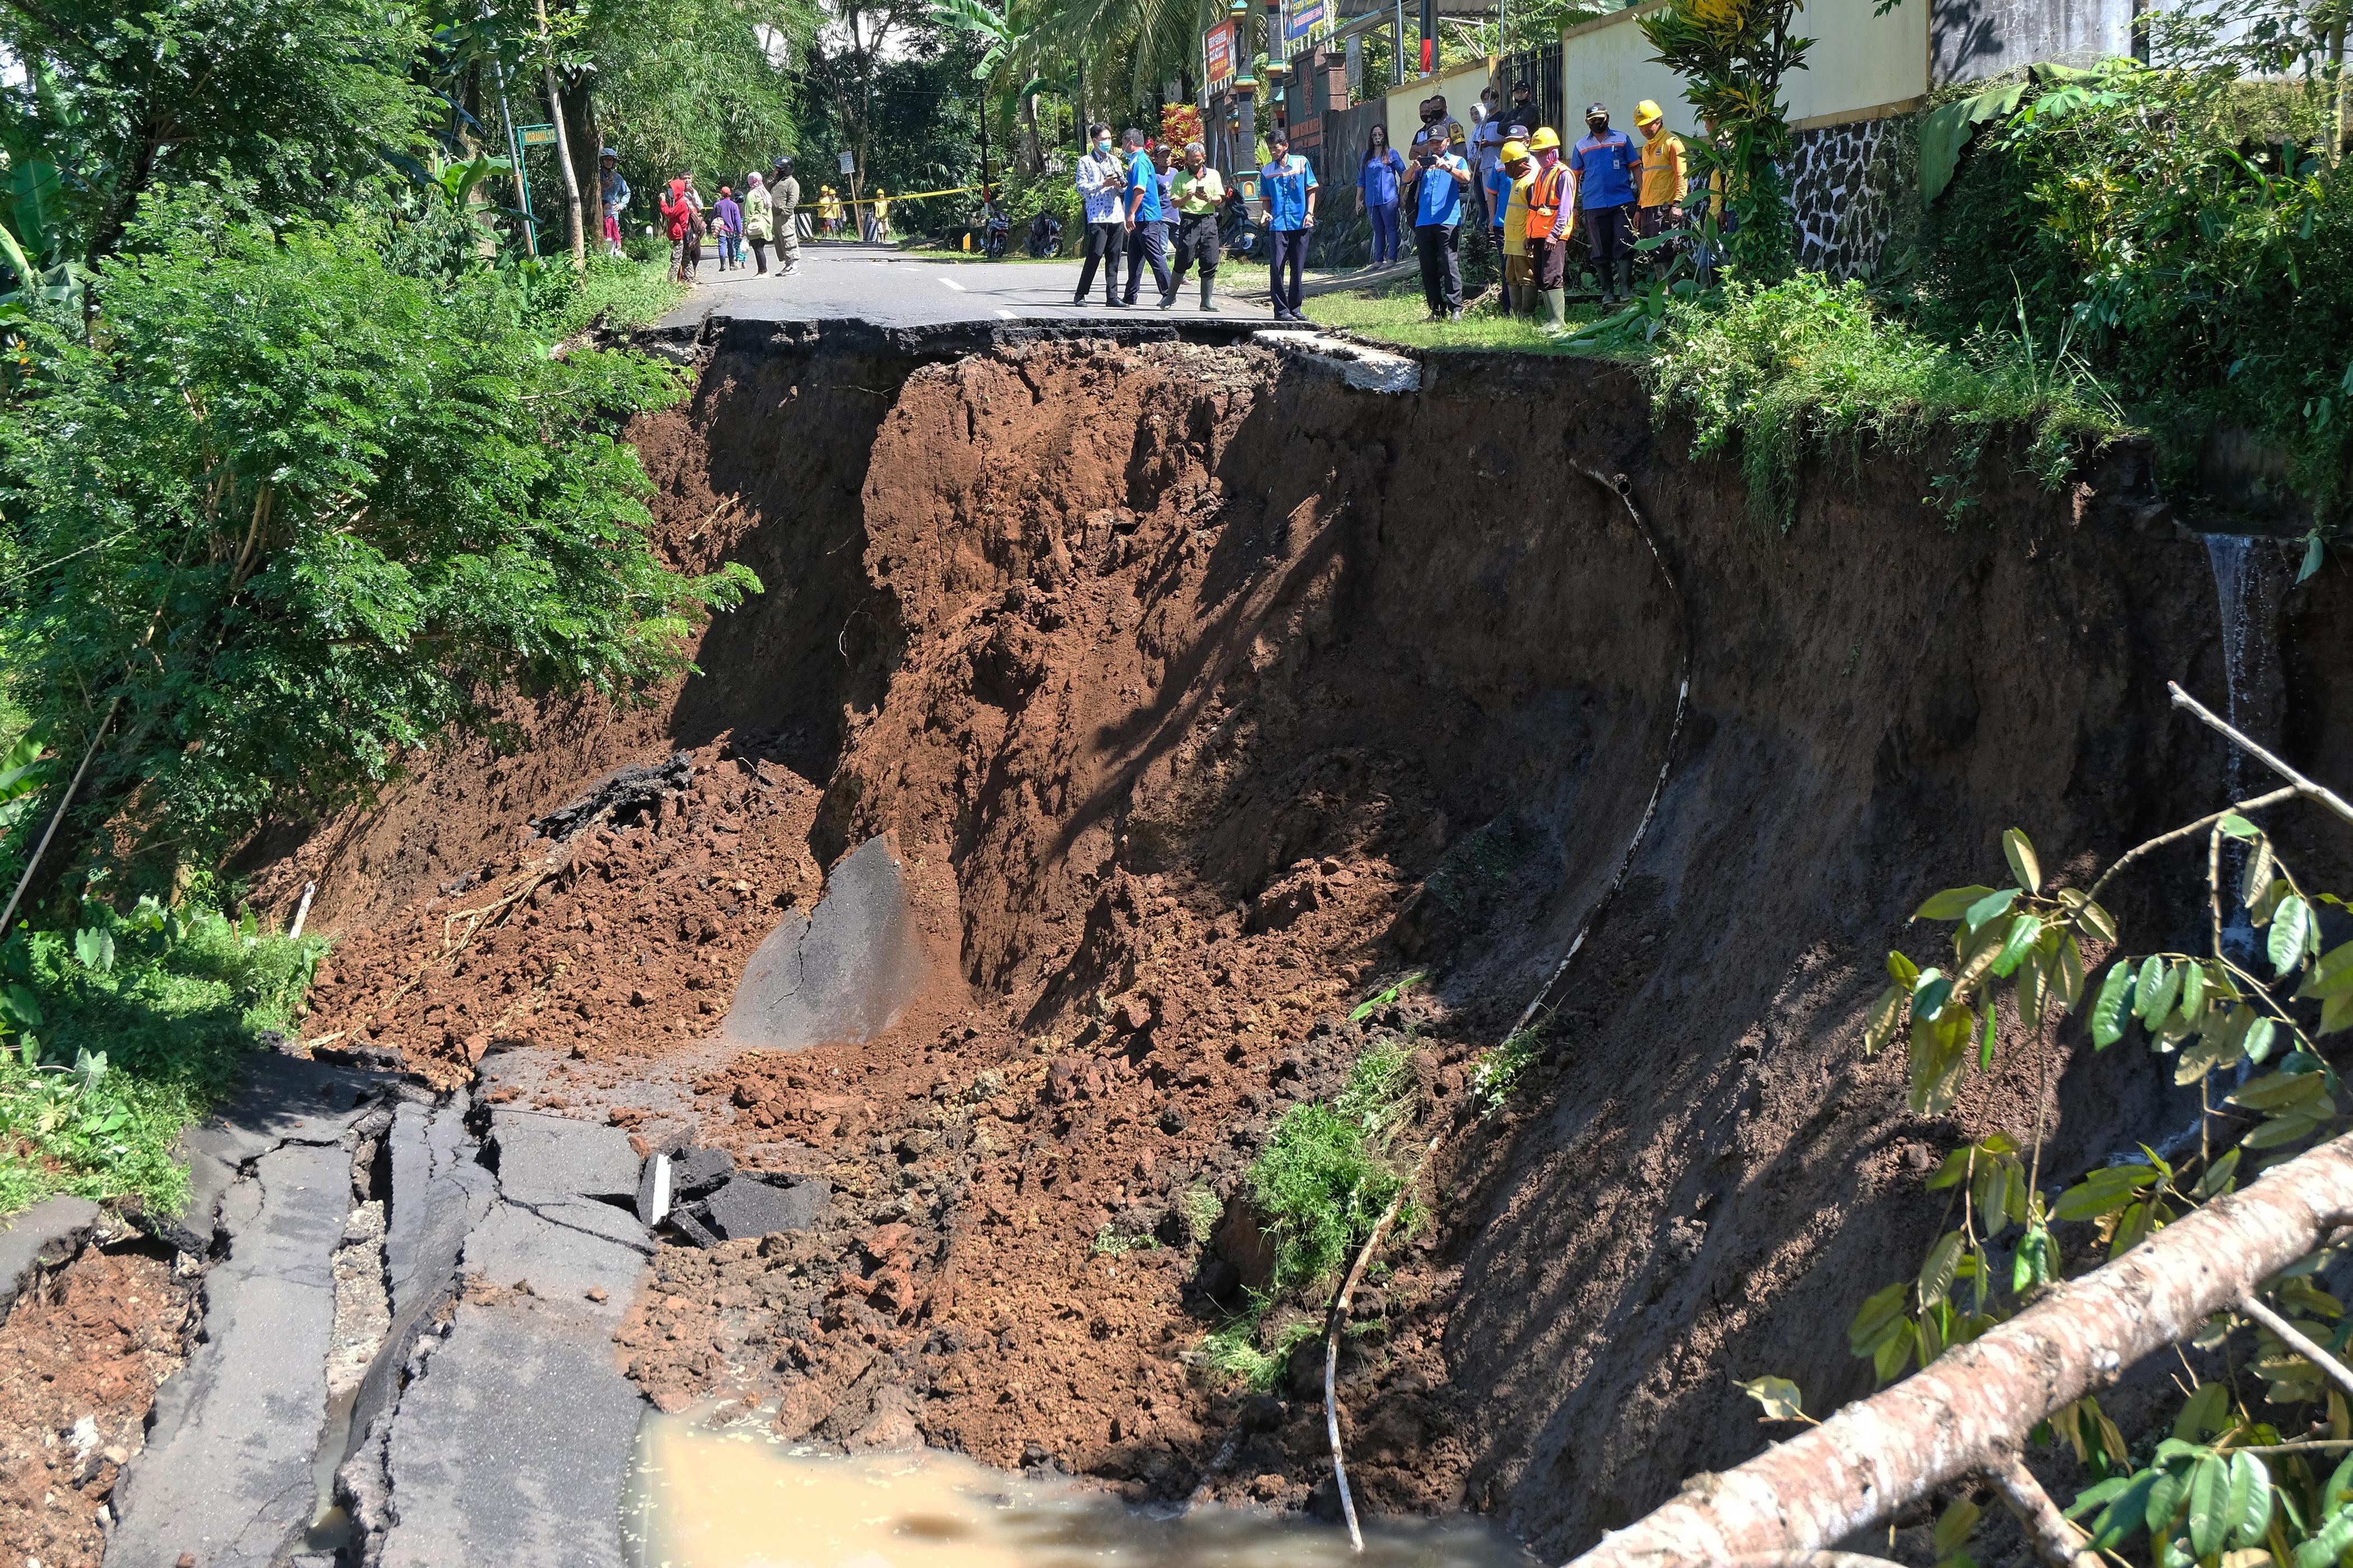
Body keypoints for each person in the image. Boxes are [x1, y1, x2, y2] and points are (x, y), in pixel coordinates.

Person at [1569, 101, 1639, 304]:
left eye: (1600, 119)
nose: (1597, 122)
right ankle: (1608, 293)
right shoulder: (1581, 146)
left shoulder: (1622, 139)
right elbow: (1574, 178)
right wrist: (1573, 207)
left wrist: (1641, 198)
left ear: (1607, 118)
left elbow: (1636, 168)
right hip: (1594, 204)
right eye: (1593, 120)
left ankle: (1626, 290)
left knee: (1625, 244)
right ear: (1587, 122)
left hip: (1622, 201)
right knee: (1599, 250)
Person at [1399, 126, 1470, 320]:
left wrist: (1448, 168)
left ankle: (1456, 308)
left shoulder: (1457, 160)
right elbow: (1405, 179)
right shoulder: (1424, 163)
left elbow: (1467, 178)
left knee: (1449, 264)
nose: (1436, 146)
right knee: (1428, 267)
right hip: (1424, 221)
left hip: (1448, 220)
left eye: (1439, 142)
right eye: (1432, 143)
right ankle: (1436, 310)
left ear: (1448, 141)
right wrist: (1413, 169)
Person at [1259, 127, 1317, 321]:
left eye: (1276, 148)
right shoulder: (1267, 171)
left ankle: (1295, 308)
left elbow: (1311, 189)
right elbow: (1266, 198)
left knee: (1297, 268)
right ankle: (1281, 310)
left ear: (1286, 146)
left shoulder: (1301, 163)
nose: (1273, 152)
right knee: (1277, 267)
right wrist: (1265, 212)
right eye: (1270, 149)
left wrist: (1310, 213)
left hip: (1300, 223)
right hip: (1278, 226)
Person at [1116, 129, 1173, 307]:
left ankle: (1169, 293)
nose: (1122, 147)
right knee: (1134, 258)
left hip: (1145, 216)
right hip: (1139, 219)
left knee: (1154, 255)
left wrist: (1131, 213)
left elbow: (1140, 190)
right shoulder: (1135, 161)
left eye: (1123, 142)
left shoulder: (1140, 162)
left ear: (1131, 143)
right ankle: (1130, 295)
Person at [1072, 122, 1127, 305]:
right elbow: (1081, 188)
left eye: (1110, 138)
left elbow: (1122, 188)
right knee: (1095, 254)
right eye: (1104, 139)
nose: (1108, 142)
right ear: (1095, 141)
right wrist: (1103, 184)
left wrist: (1119, 186)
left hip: (1116, 214)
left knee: (1114, 257)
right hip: (1097, 215)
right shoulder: (1085, 162)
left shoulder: (1114, 161)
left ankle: (1112, 296)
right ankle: (1081, 294)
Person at [1524, 128, 1572, 333]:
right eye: (1535, 154)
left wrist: (1555, 234)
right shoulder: (1542, 173)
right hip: (1538, 234)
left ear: (1553, 151)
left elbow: (1565, 209)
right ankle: (1551, 319)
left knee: (1552, 275)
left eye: (1541, 153)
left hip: (1554, 235)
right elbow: (1535, 208)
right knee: (1541, 276)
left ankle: (1558, 321)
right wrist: (1529, 236)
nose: (1538, 157)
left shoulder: (1564, 174)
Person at [1168, 141, 1226, 310]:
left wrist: (1208, 198)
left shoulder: (1213, 175)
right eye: (1192, 160)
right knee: (1184, 258)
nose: (1195, 163)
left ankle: (1206, 302)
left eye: (1198, 160)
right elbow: (1174, 203)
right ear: (1186, 159)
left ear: (1204, 158)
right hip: (1189, 221)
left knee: (1210, 259)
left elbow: (1220, 199)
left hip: (1209, 220)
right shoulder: (1180, 177)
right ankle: (1170, 297)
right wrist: (1187, 197)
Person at [1633, 99, 1687, 281]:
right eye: (1641, 126)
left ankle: (1673, 292)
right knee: (1654, 253)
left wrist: (1678, 204)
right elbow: (1647, 180)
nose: (1644, 129)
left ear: (1659, 121)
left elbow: (1682, 176)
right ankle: (1663, 292)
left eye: (1648, 125)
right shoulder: (1647, 148)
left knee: (1667, 250)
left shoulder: (1672, 144)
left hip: (1666, 208)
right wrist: (1639, 208)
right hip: (1649, 208)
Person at [1497, 137, 1534, 318]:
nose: (1506, 170)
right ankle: (1515, 313)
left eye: (1507, 166)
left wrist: (1530, 236)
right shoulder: (1517, 181)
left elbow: (1534, 212)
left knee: (1526, 276)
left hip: (1523, 238)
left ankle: (1527, 314)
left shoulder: (1530, 182)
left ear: (1518, 163)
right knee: (1511, 276)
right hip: (1511, 239)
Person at [1482, 117, 1528, 259]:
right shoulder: (1499, 165)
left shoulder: (1536, 164)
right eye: (1509, 141)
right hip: (1502, 224)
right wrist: (1492, 219)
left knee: (1525, 266)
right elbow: (1492, 193)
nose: (1512, 144)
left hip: (1525, 226)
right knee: (1506, 266)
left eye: (1517, 141)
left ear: (1527, 142)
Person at [1359, 125, 1404, 265]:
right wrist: (1358, 199)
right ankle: (1378, 260)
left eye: (1380, 134)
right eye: (1374, 135)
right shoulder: (1366, 156)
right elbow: (1361, 179)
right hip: (1372, 200)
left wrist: (1401, 194)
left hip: (1388, 198)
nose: (1377, 137)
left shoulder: (1392, 154)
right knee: (1378, 231)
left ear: (1385, 136)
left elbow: (1404, 174)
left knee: (1391, 228)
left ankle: (1392, 258)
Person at [660, 177, 697, 282]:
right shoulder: (682, 201)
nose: (670, 191)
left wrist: (663, 202)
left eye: (672, 189)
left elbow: (669, 213)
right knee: (686, 257)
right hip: (685, 234)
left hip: (680, 235)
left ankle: (671, 282)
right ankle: (690, 279)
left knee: (676, 259)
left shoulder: (681, 203)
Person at [771, 157, 802, 275]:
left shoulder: (792, 183)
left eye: (779, 169)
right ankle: (788, 265)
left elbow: (793, 201)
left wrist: (785, 214)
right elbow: (765, 188)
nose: (777, 170)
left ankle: (794, 266)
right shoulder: (777, 182)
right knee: (780, 243)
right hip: (775, 217)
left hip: (785, 218)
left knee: (789, 240)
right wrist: (772, 177)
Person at [597, 149, 629, 257]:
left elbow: (627, 193)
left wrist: (621, 205)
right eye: (606, 159)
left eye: (611, 160)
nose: (609, 162)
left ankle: (611, 259)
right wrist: (603, 186)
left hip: (613, 215)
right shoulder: (597, 176)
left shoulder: (618, 178)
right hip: (599, 214)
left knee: (613, 239)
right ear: (602, 161)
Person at [743, 171, 773, 273]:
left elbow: (748, 213)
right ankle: (761, 271)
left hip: (755, 225)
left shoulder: (752, 194)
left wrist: (744, 227)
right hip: (765, 224)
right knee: (760, 248)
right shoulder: (765, 193)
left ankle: (763, 271)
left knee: (758, 249)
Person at [715, 185, 742, 270]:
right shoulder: (734, 205)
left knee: (722, 246)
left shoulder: (717, 205)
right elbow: (737, 220)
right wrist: (740, 232)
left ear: (721, 194)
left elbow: (713, 218)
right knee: (731, 246)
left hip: (720, 229)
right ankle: (732, 265)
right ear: (730, 194)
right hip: (731, 229)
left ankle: (723, 265)